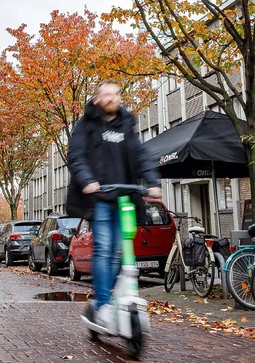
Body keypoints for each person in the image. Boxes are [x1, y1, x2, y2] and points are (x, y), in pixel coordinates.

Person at [66, 81, 161, 330]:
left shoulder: (127, 124)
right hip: (100, 200)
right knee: (105, 250)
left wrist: (152, 181)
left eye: (115, 94)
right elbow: (76, 155)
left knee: (122, 250)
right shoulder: (86, 125)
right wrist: (87, 180)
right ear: (97, 99)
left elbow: (140, 155)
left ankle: (116, 297)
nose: (111, 99)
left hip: (125, 200)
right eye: (106, 95)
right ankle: (103, 303)